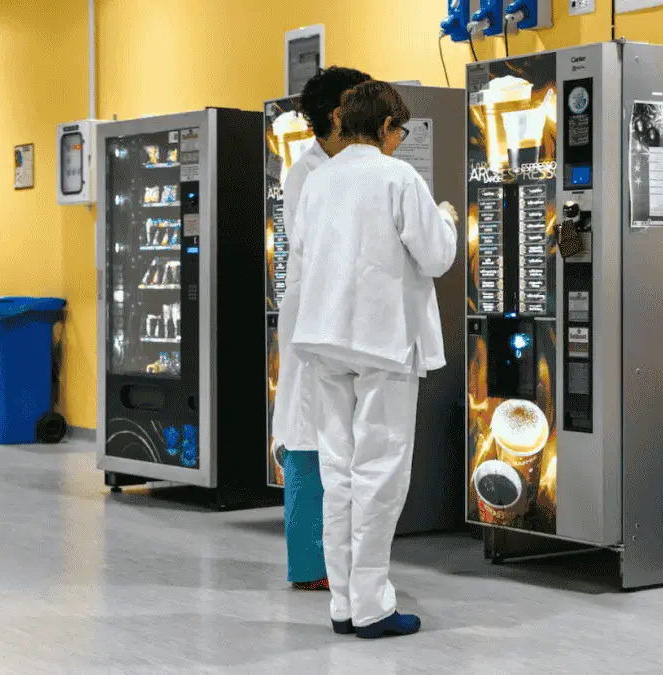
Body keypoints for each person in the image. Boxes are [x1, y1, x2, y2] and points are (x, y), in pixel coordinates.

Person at [289, 81, 458, 639]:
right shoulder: (398, 177)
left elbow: (302, 253)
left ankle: (343, 604)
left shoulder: (318, 181)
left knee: (337, 472)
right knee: (380, 472)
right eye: (399, 131)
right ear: (386, 127)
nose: (399, 140)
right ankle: (372, 607)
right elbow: (435, 256)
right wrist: (447, 219)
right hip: (382, 340)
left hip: (324, 338)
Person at [273, 66, 371, 592]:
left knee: (330, 436)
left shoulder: (338, 168)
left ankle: (332, 558)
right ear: (339, 115)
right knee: (309, 436)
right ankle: (311, 564)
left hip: (334, 318)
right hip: (317, 318)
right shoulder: (310, 174)